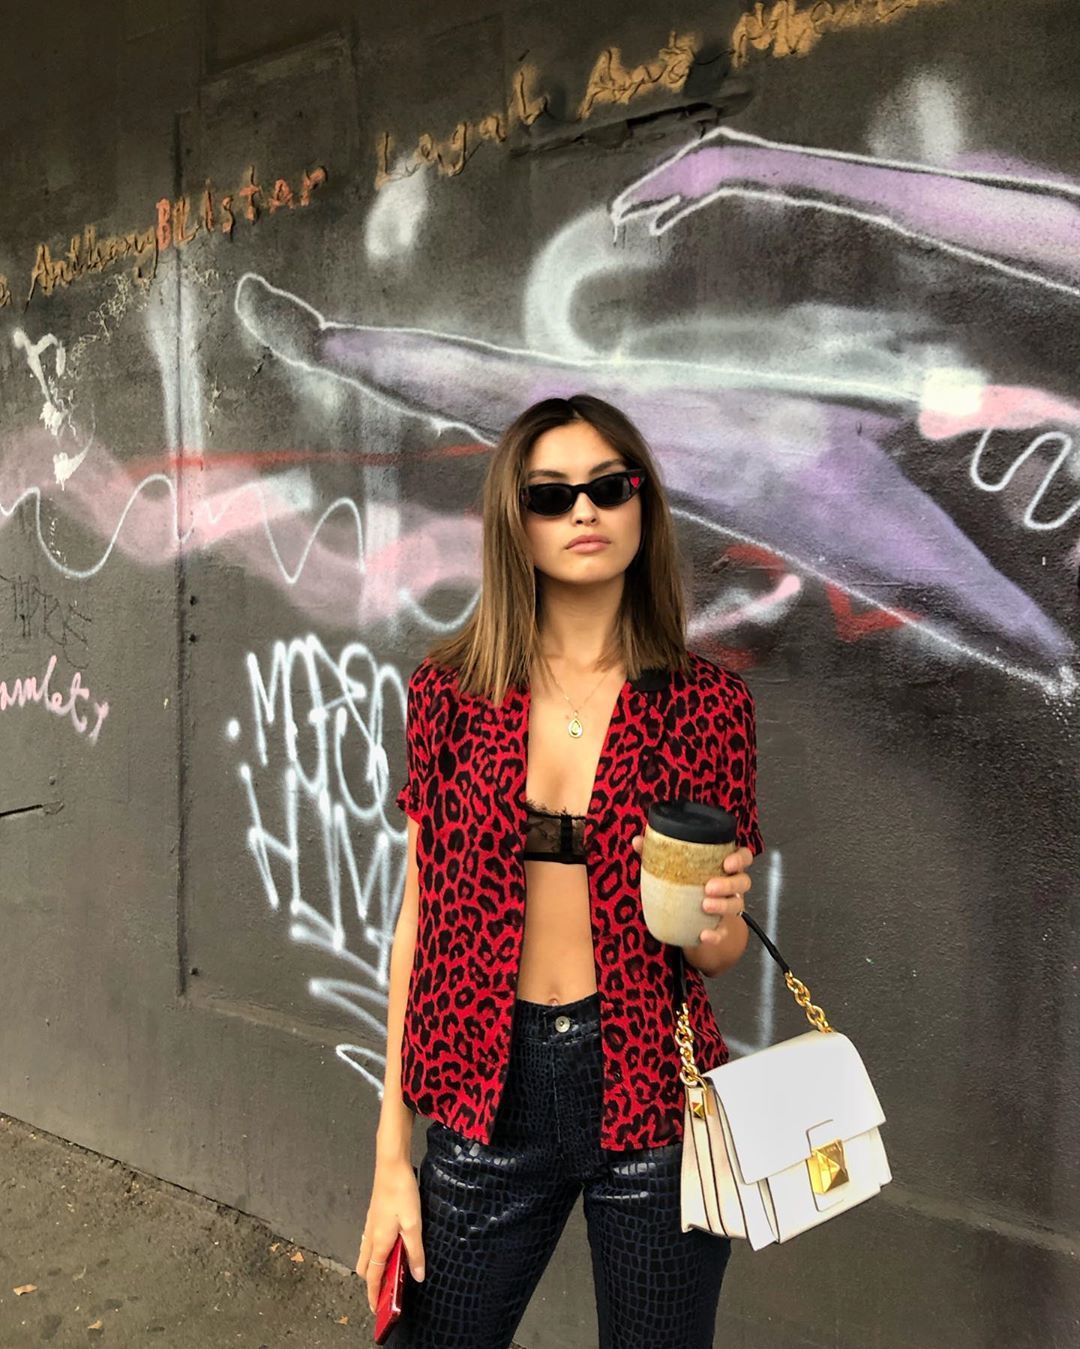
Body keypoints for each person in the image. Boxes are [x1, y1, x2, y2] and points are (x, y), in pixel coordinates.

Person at [355, 393, 762, 1348]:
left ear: (641, 505)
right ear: (517, 519)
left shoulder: (709, 705)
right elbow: (418, 921)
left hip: (651, 1091)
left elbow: (715, 954)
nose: (584, 510)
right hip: (484, 1089)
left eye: (609, 487)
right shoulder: (451, 693)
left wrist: (718, 918)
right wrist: (390, 1151)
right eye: (551, 494)